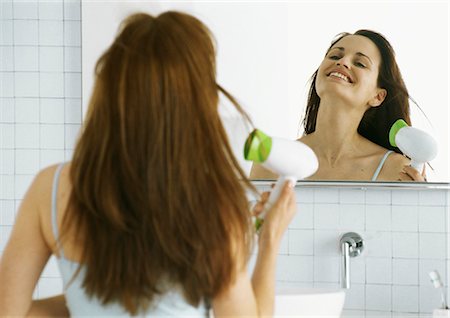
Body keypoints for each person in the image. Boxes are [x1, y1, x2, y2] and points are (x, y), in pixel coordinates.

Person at [0, 12, 296, 317]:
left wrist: (88, 298)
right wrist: (270, 240)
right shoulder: (214, 208)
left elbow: (10, 313)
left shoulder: (50, 189)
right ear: (197, 102)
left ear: (111, 91)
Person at [251, 30, 426, 182]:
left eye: (360, 63)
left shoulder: (397, 170)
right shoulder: (270, 163)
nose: (342, 62)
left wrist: (420, 204)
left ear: (378, 96)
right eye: (335, 56)